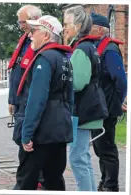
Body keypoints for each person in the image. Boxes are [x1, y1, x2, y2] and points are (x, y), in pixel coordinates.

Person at [14, 15, 73, 190]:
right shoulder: (65, 58)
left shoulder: (44, 58)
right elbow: (70, 98)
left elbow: (36, 99)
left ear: (46, 35)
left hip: (42, 132)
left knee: (26, 180)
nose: (30, 36)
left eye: (34, 31)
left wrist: (27, 133)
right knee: (54, 179)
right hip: (59, 129)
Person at [63, 6, 108, 191]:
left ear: (78, 25)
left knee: (77, 158)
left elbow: (77, 83)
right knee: (84, 158)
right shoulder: (89, 46)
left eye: (67, 24)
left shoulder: (81, 48)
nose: (64, 28)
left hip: (81, 110)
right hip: (89, 108)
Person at [7, 5, 44, 190]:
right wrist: (11, 99)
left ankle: (30, 182)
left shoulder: (40, 43)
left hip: (29, 99)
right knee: (21, 139)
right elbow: (16, 72)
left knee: (28, 140)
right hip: (20, 98)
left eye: (22, 22)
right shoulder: (25, 41)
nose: (20, 26)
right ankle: (30, 180)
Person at [90, 13, 127, 191]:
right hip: (99, 104)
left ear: (99, 29)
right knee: (99, 147)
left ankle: (111, 185)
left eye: (89, 26)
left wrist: (117, 102)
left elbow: (120, 79)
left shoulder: (110, 49)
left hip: (107, 105)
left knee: (107, 148)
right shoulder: (96, 47)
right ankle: (105, 180)